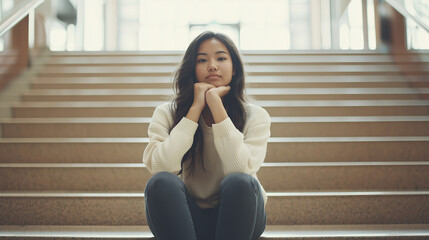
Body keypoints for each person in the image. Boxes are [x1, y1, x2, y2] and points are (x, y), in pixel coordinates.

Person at [143, 31, 271, 240]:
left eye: (221, 58)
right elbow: (161, 167)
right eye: (202, 60)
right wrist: (194, 110)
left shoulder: (255, 116)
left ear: (235, 68)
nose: (212, 65)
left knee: (240, 182)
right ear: (191, 69)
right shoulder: (166, 113)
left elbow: (242, 169)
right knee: (160, 183)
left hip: (242, 214)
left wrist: (215, 104)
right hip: (186, 218)